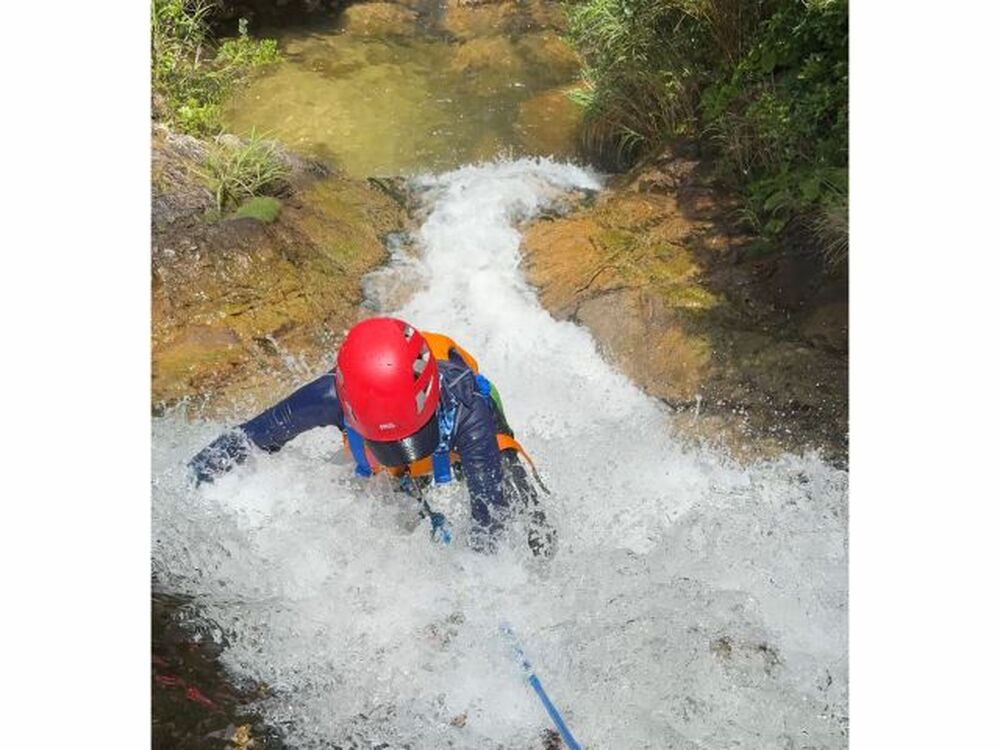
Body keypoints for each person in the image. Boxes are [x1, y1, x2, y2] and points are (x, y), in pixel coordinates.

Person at [189, 317, 554, 556]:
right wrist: (190, 483)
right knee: (397, 498)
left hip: (459, 422)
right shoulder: (328, 397)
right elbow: (247, 440)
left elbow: (490, 519)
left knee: (528, 515)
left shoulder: (469, 408)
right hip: (402, 416)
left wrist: (483, 579)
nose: (399, 449)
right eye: (389, 443)